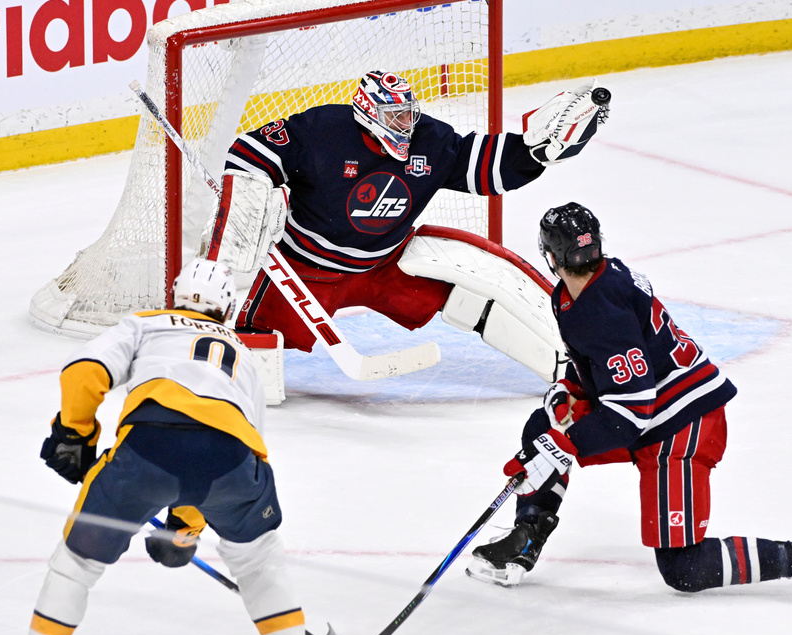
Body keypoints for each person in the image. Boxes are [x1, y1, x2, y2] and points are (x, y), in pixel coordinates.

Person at [465, 202, 792, 604]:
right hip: (651, 407)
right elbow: (602, 365)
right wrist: (572, 391)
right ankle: (524, 542)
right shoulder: (578, 291)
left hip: (684, 424)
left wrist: (562, 449)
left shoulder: (601, 308)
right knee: (542, 428)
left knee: (683, 568)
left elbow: (631, 411)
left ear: (550, 256)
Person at [5, 258, 314, 635]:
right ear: (226, 309)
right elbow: (231, 443)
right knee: (257, 559)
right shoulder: (243, 353)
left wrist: (75, 433)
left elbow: (84, 371)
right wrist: (183, 527)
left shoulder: (146, 323)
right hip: (235, 463)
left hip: (147, 451)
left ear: (174, 295)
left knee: (78, 564)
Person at [204, 70, 611, 402]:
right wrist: (252, 192)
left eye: (408, 114)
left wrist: (532, 153)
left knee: (465, 299)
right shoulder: (321, 130)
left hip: (383, 266)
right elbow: (249, 153)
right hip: (305, 272)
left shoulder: (430, 140)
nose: (406, 125)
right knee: (248, 346)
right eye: (395, 117)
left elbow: (484, 166)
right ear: (367, 113)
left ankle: (564, 366)